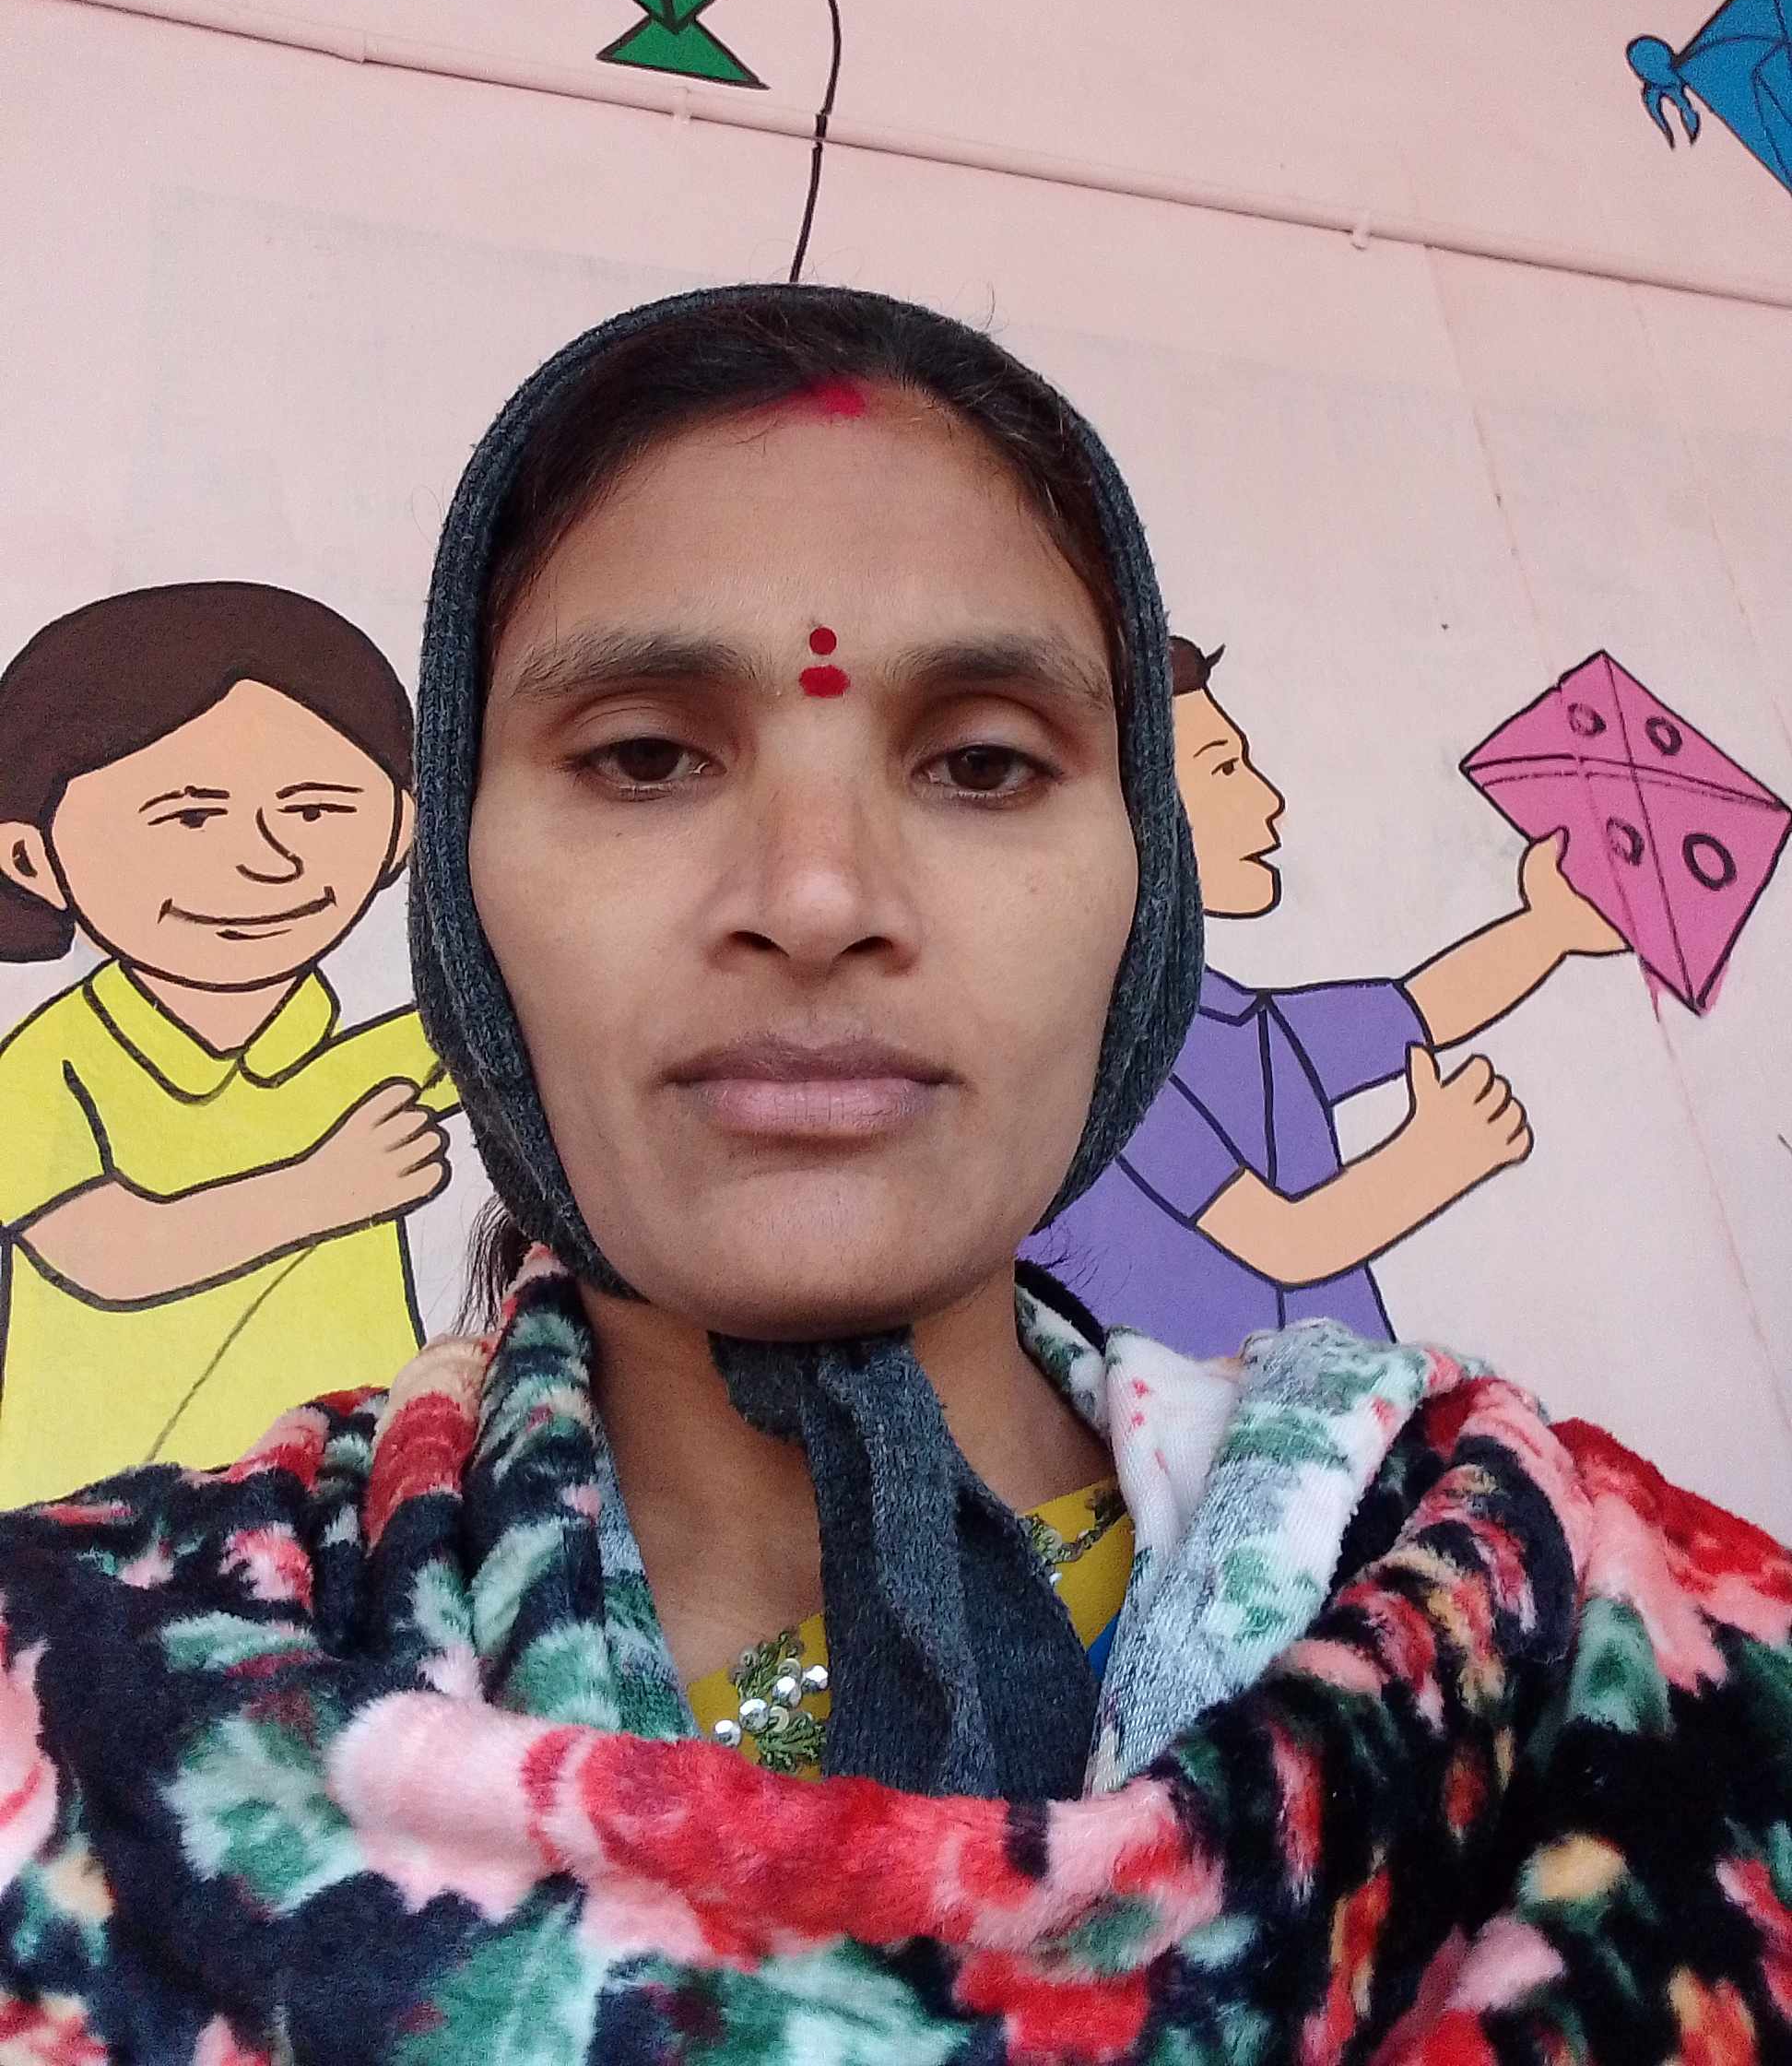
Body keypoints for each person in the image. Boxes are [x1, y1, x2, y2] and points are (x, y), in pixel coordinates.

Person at [0, 290, 1784, 2064]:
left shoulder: (1598, 1637)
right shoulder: (76, 1692)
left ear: (1144, 893)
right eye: (642, 756)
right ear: (459, 890)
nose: (816, 893)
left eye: (983, 763)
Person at [1022, 636, 1631, 1352]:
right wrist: (1433, 1159)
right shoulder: (1112, 1053)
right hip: (1230, 1414)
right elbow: (1286, 1240)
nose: (1269, 799)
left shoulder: (1241, 1022)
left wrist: (1547, 928)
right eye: (1224, 768)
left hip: (1336, 1403)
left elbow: (1420, 1008)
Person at [0, 584, 457, 1503]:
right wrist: (324, 1189)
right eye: (188, 816)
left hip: (342, 1502)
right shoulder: (52, 1063)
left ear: (401, 830)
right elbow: (104, 1253)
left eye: (316, 810)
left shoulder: (374, 1053)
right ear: (29, 858)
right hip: (101, 1523)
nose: (267, 860)